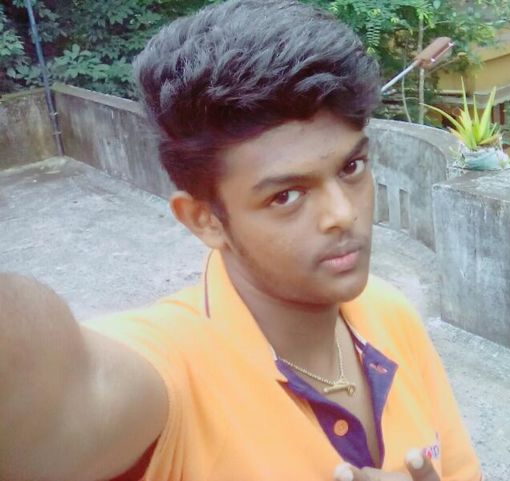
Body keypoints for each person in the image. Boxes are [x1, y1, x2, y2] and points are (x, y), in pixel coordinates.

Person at [0, 1, 482, 480]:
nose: (343, 214)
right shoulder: (172, 374)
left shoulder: (389, 312)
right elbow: (49, 394)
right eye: (286, 195)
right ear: (205, 220)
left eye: (351, 167)